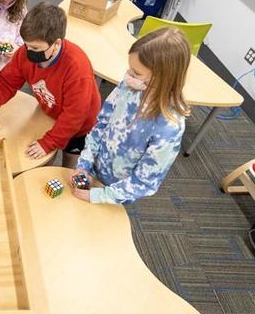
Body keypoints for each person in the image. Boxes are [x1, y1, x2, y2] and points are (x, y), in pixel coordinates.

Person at [72, 27, 191, 204]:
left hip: (117, 193)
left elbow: (144, 182)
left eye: (136, 72)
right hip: (94, 170)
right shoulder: (128, 85)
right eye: (130, 68)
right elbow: (102, 124)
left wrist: (100, 196)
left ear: (162, 76)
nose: (128, 75)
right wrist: (84, 164)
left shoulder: (169, 127)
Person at [0, 2, 101, 168]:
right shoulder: (24, 53)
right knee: (41, 159)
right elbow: (7, 82)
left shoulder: (77, 68)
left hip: (80, 126)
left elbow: (75, 115)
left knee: (71, 170)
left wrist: (49, 142)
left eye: (35, 47)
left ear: (56, 43)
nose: (27, 51)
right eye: (26, 45)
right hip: (49, 111)